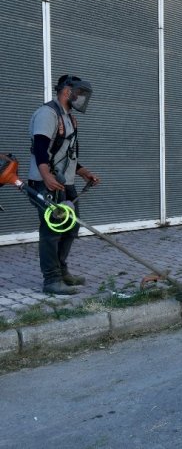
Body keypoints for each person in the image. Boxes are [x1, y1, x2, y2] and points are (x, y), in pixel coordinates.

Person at [28, 74, 100, 295]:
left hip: (64, 183)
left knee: (71, 227)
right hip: (46, 183)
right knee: (52, 231)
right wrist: (46, 175)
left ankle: (61, 270)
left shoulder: (69, 117)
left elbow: (66, 154)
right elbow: (40, 148)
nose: (80, 97)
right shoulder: (47, 114)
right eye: (78, 93)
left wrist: (83, 172)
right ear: (67, 91)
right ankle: (51, 280)